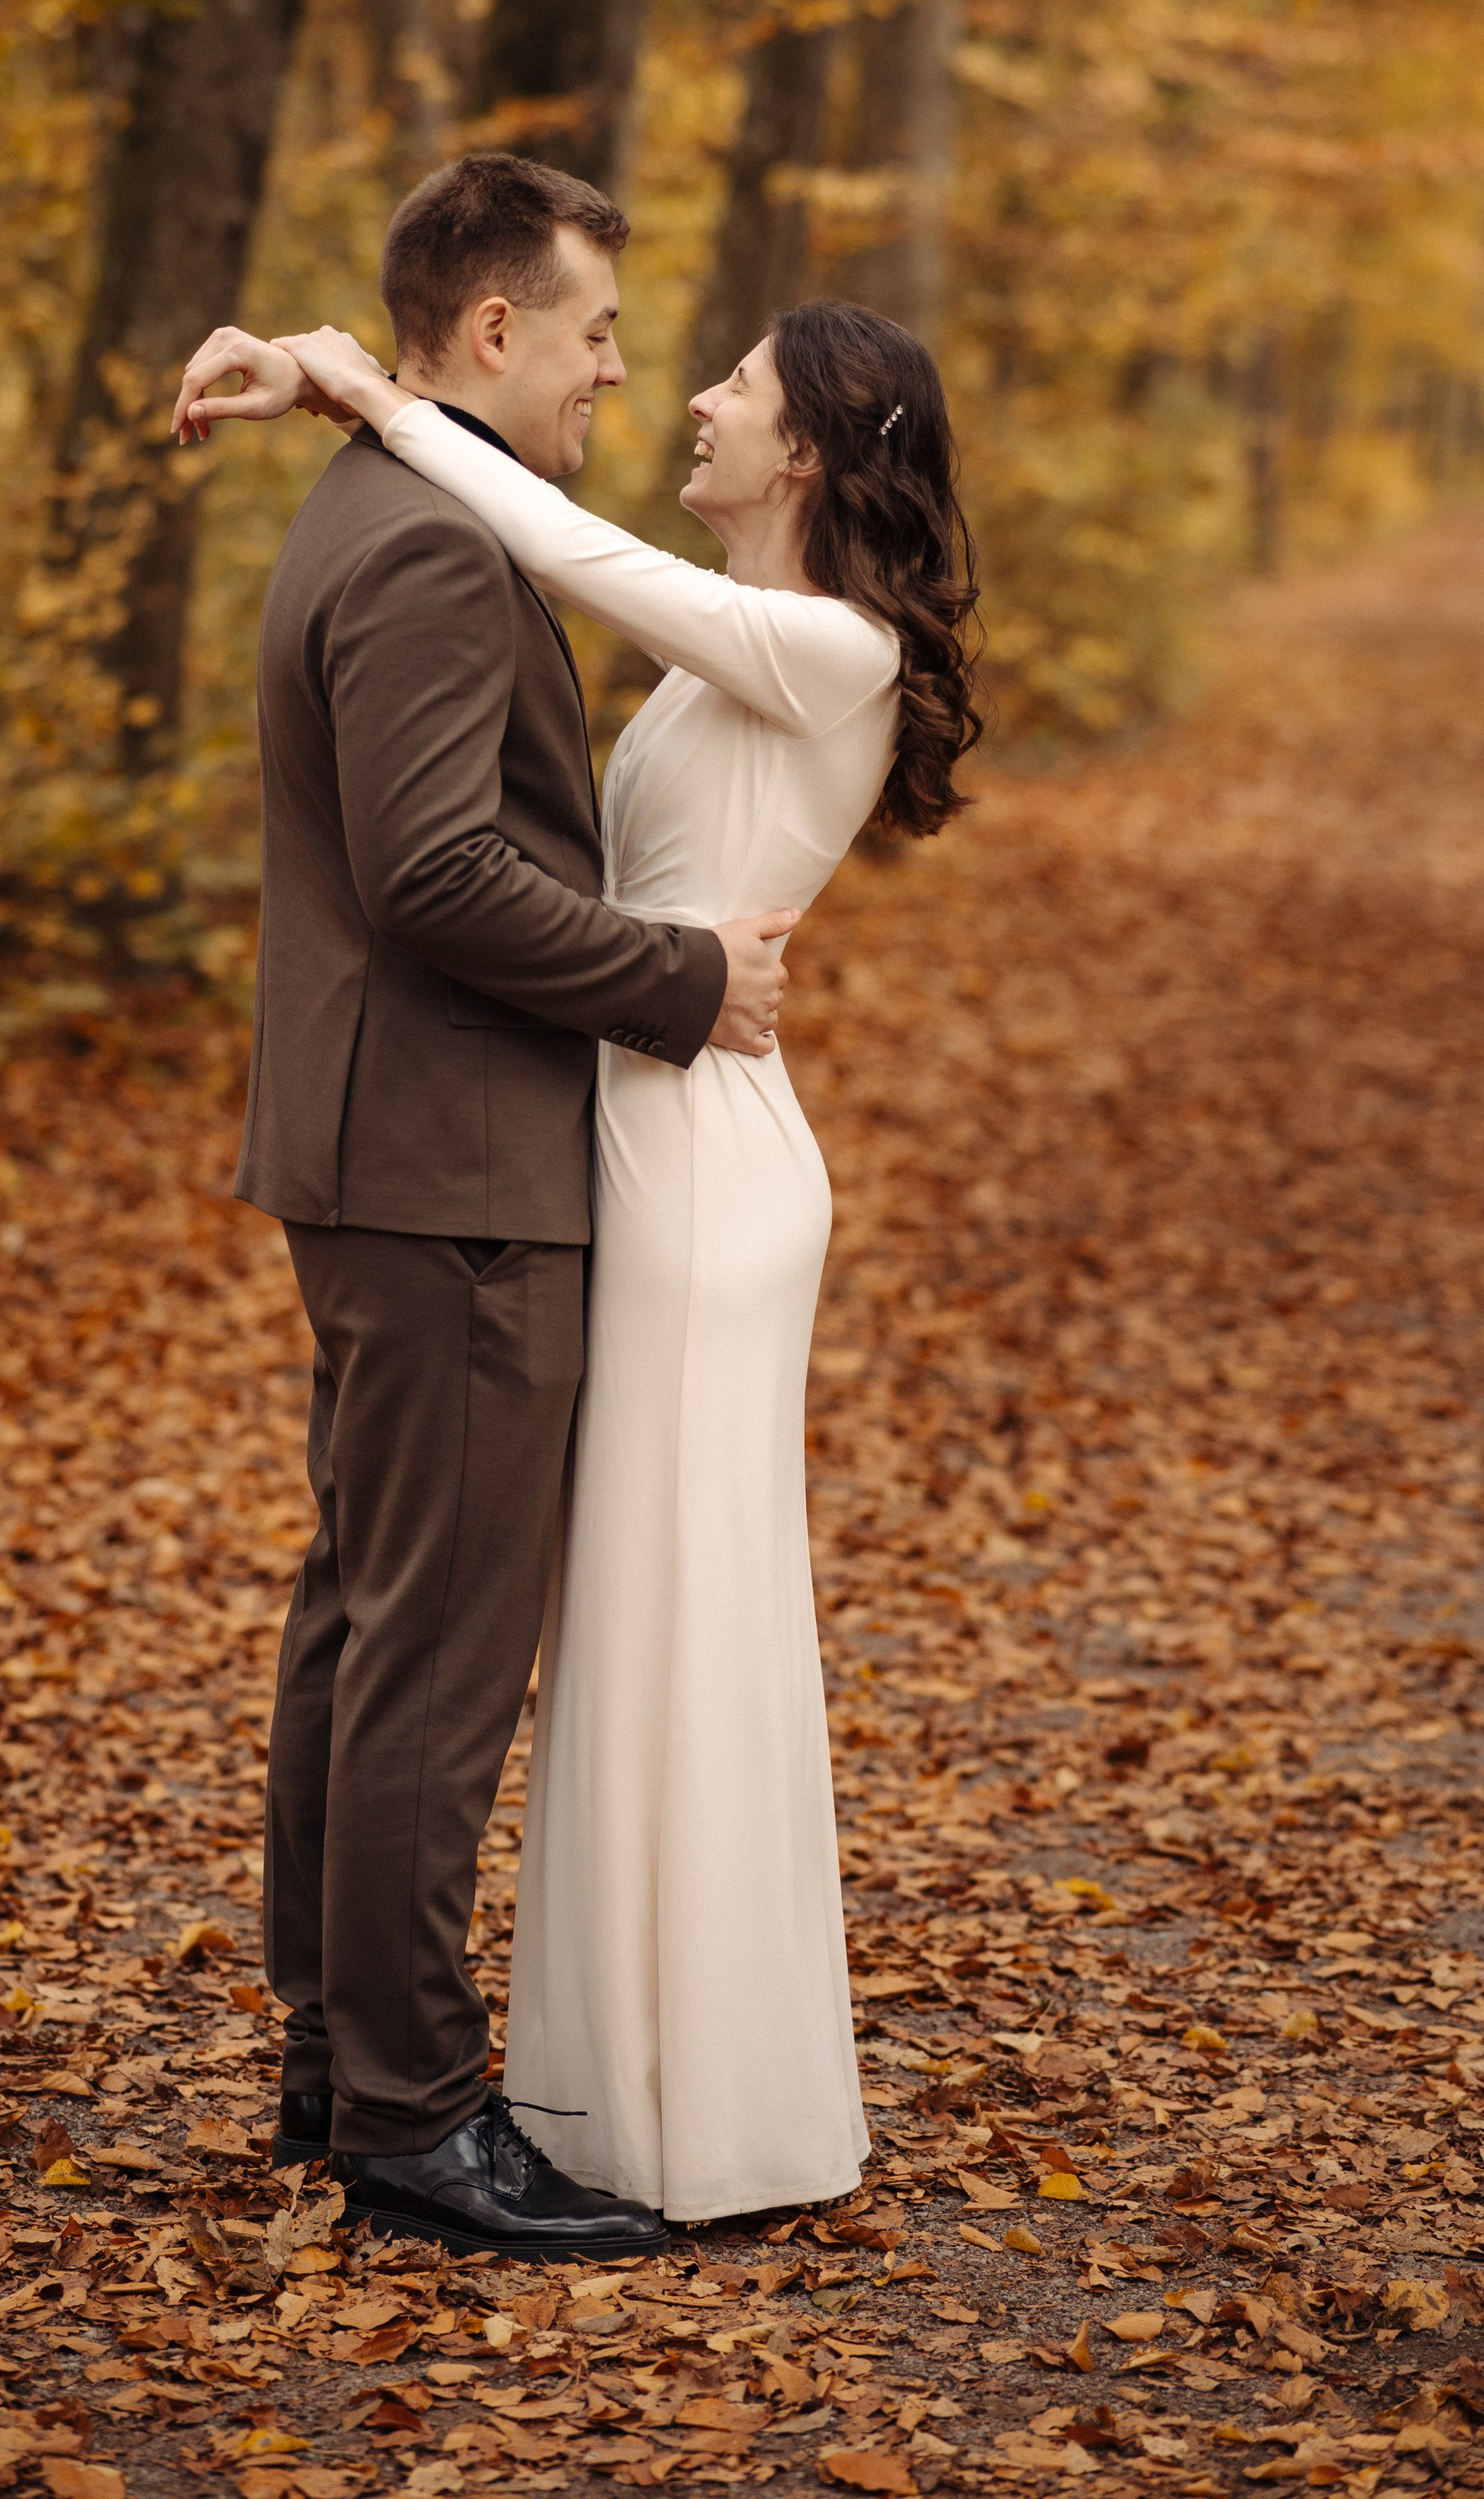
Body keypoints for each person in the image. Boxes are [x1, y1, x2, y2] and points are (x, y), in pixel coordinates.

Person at [173, 195, 982, 2227]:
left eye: (708, 370)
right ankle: (402, 2103)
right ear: (497, 324)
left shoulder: (789, 633)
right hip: (488, 1146)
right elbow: (449, 870)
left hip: (618, 1157)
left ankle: (389, 2060)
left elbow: (587, 567)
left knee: (439, 1619)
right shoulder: (441, 541)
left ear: (807, 452)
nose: (648, 375)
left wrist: (338, 385)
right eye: (612, 333)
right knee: (426, 1637)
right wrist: (689, 981)